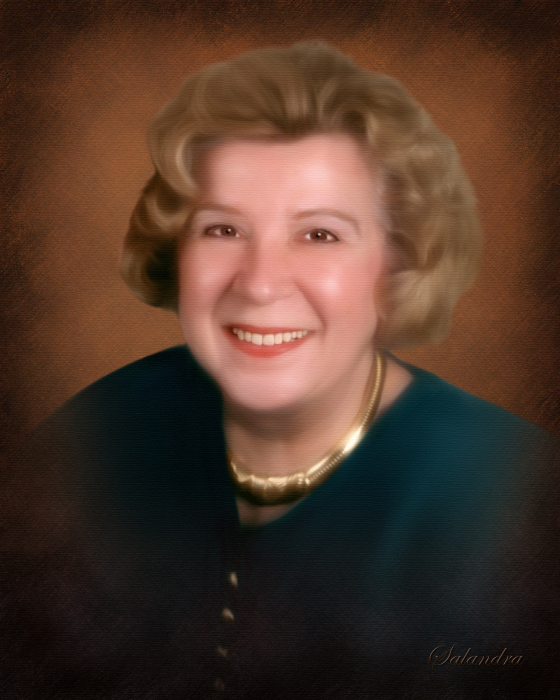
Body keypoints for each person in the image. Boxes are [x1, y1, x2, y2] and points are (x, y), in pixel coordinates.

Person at [3, 42, 558, 699]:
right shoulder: (90, 439)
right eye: (222, 229)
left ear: (398, 265)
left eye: (320, 234)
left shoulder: (521, 503)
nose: (261, 283)